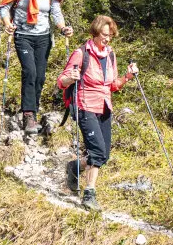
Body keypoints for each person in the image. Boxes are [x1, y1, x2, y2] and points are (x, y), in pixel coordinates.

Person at [55, 15, 137, 213]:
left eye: (110, 36)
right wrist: (70, 78)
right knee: (98, 152)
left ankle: (75, 167)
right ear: (95, 33)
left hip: (104, 107)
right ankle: (89, 194)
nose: (107, 39)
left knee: (104, 155)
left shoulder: (110, 55)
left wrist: (127, 76)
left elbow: (112, 85)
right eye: (104, 35)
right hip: (85, 106)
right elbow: (61, 81)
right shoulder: (81, 53)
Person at [0, 0, 74, 135]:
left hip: (43, 37)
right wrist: (7, 23)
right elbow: (4, 7)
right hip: (23, 35)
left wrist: (63, 28)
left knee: (40, 76)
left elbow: (56, 13)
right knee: (30, 72)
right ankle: (28, 114)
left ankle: (34, 108)